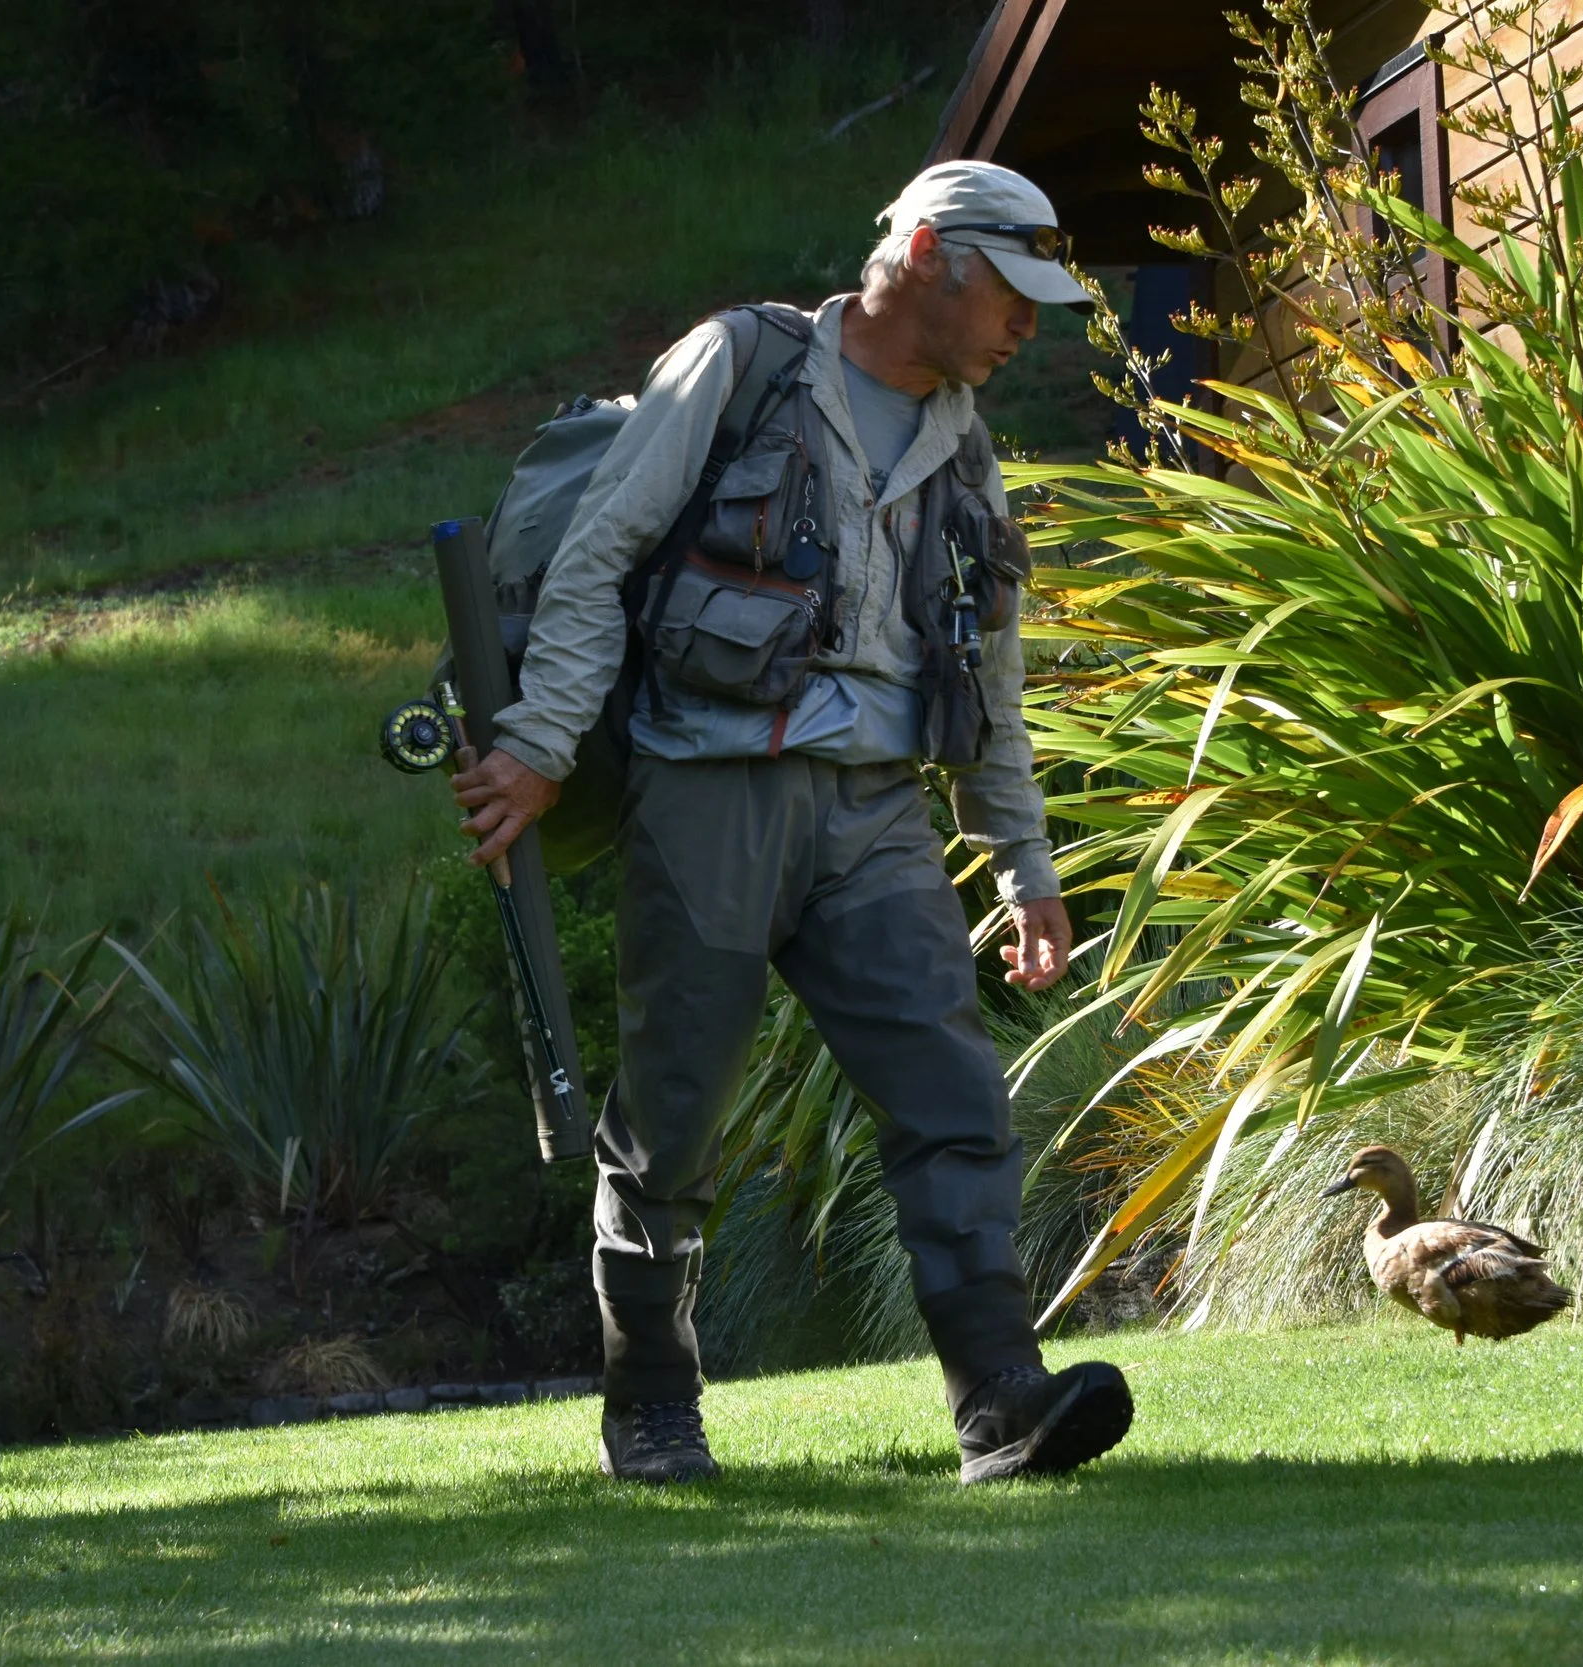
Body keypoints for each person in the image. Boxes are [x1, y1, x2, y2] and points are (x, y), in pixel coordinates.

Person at [452, 161, 1133, 1485]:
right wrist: (538, 748)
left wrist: (1024, 861)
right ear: (933, 253)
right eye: (1014, 293)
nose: (1028, 327)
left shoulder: (966, 443)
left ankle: (999, 1397)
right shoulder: (741, 362)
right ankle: (651, 1398)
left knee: (951, 1091)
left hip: (878, 815)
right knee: (674, 1116)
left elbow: (987, 677)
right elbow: (599, 553)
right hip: (709, 792)